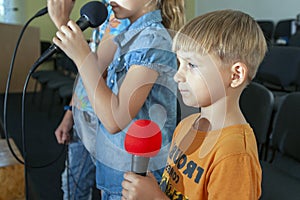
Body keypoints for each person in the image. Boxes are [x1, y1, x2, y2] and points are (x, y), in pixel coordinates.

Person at [121, 9, 267, 200]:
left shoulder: (234, 154)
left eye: (191, 65)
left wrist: (156, 198)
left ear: (235, 75)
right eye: (179, 63)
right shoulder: (186, 125)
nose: (177, 75)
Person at [52, 0, 185, 199]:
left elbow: (115, 119)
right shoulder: (131, 36)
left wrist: (83, 57)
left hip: (137, 181)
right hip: (117, 173)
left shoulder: (152, 40)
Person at [47, 0, 129, 199]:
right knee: (73, 186)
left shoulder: (125, 11)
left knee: (107, 189)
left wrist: (63, 23)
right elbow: (88, 70)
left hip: (106, 122)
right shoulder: (102, 7)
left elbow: (98, 70)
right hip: (85, 112)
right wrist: (70, 113)